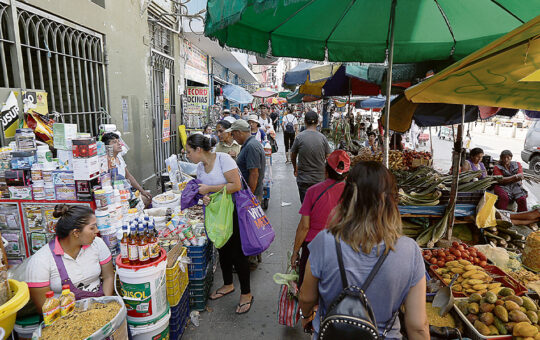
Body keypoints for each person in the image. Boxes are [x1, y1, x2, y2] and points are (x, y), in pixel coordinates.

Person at [298, 161, 429, 339]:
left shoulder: (324, 241)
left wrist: (306, 316)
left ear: (347, 197)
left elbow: (306, 298)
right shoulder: (409, 251)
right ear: (391, 201)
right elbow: (418, 326)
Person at [184, 134, 253, 314]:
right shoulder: (199, 168)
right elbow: (203, 192)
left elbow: (236, 185)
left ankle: (246, 293)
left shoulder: (224, 159)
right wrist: (204, 197)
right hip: (215, 214)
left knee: (237, 253)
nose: (187, 155)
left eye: (189, 151)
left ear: (199, 150)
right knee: (222, 249)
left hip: (233, 212)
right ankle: (228, 284)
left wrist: (210, 189)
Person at [28, 205, 114, 311]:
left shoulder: (97, 244)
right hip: (63, 318)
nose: (97, 230)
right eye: (92, 227)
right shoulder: (40, 261)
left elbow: (108, 276)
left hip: (99, 307)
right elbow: (44, 308)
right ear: (76, 233)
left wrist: (104, 303)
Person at [291, 150, 350, 288]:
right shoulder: (354, 193)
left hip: (313, 247)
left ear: (326, 170)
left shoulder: (313, 191)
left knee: (307, 290)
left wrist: (295, 252)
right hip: (342, 248)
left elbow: (304, 227)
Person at [101, 132, 152, 207]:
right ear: (107, 146)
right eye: (114, 142)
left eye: (119, 141)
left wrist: (142, 191)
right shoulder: (106, 162)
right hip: (116, 196)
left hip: (126, 191)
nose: (119, 144)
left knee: (147, 198)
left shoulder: (119, 157)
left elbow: (128, 176)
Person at [291, 111, 331, 203]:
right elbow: (329, 157)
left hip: (304, 179)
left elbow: (293, 155)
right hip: (319, 179)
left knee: (306, 207)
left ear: (305, 122)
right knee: (318, 207)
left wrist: (295, 168)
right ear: (317, 122)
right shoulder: (322, 138)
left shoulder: (299, 137)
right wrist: (326, 172)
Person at [228, 119, 266, 203]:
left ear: (239, 132)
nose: (233, 138)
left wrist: (249, 197)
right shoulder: (249, 144)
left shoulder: (251, 146)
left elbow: (254, 173)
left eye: (233, 134)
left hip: (251, 194)